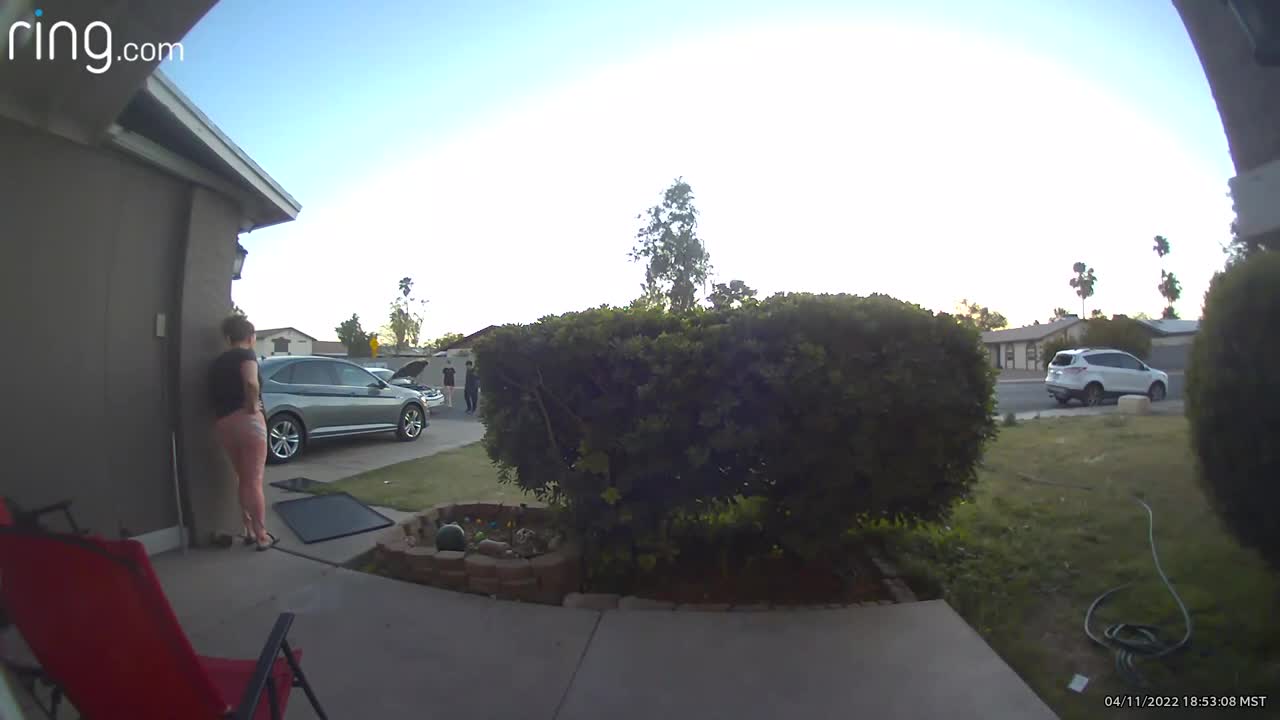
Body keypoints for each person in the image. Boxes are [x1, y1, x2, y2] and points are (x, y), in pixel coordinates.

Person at [208, 314, 276, 551]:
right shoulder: (247, 355)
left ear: (228, 338)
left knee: (242, 478)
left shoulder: (217, 362)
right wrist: (251, 405)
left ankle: (247, 529)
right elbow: (250, 382)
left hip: (224, 423)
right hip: (248, 422)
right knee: (254, 480)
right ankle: (262, 536)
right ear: (251, 337)